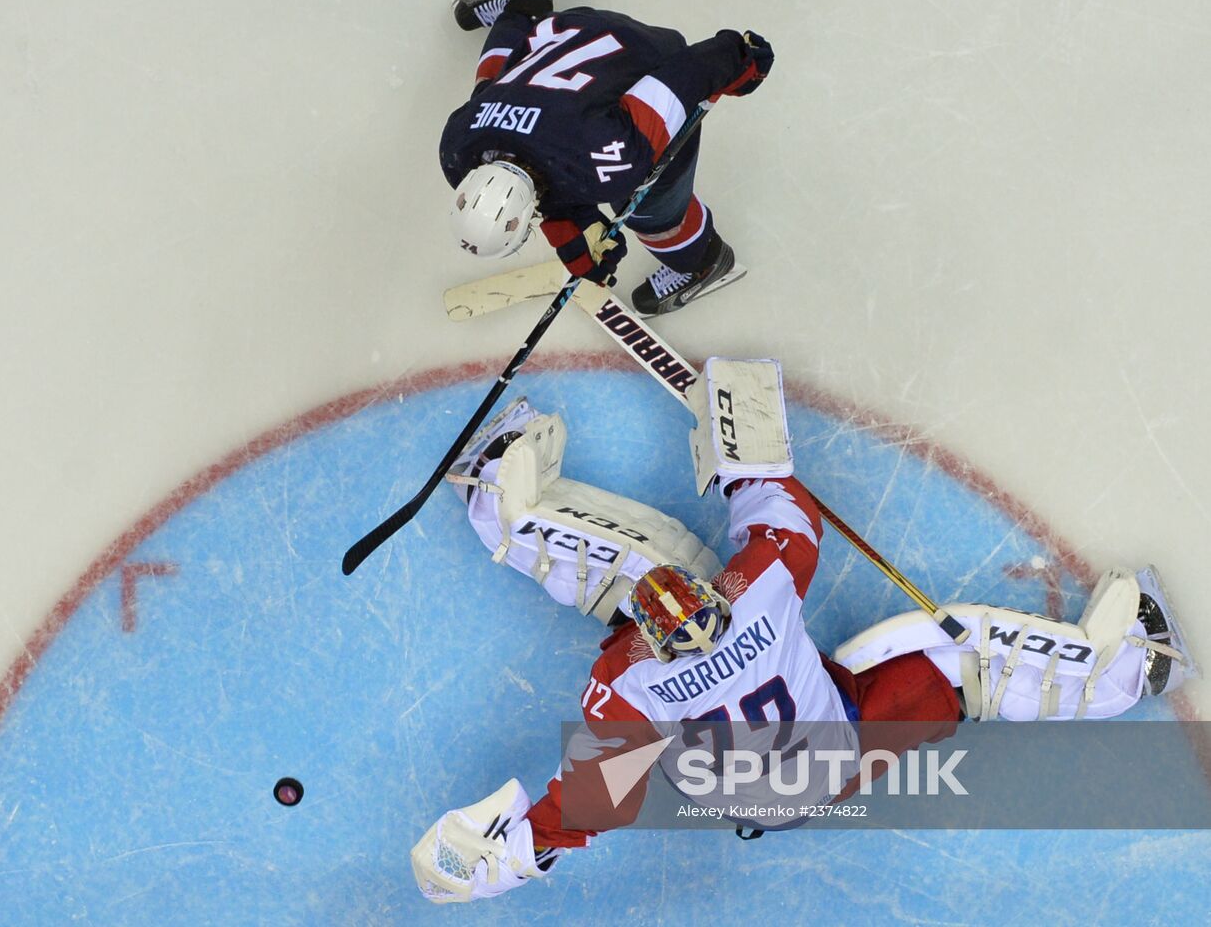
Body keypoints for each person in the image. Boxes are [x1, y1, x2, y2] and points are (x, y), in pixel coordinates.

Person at [409, 365, 1198, 904]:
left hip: (742, 790)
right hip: (833, 757)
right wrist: (739, 429)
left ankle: (498, 499)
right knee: (962, 662)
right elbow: (785, 513)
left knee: (639, 566)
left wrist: (503, 858)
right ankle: (1131, 667)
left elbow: (586, 808)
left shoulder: (627, 678)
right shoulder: (755, 594)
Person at [440, 0, 773, 317]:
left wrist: (740, 60)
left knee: (651, 207)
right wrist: (569, 231)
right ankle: (524, 2)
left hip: (647, 51)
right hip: (571, 28)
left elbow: (676, 82)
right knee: (491, 86)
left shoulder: (606, 160)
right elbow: (529, 138)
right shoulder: (456, 148)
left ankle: (705, 263)